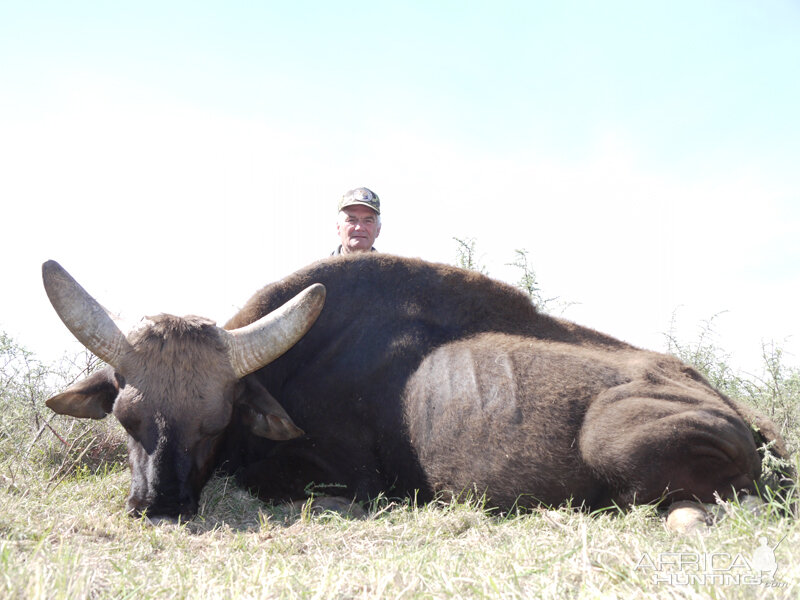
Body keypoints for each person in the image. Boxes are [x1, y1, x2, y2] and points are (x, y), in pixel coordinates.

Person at [332, 187, 381, 255]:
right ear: (338, 228)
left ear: (378, 229)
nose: (359, 227)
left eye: (368, 221)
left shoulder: (395, 266)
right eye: (351, 220)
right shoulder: (319, 266)